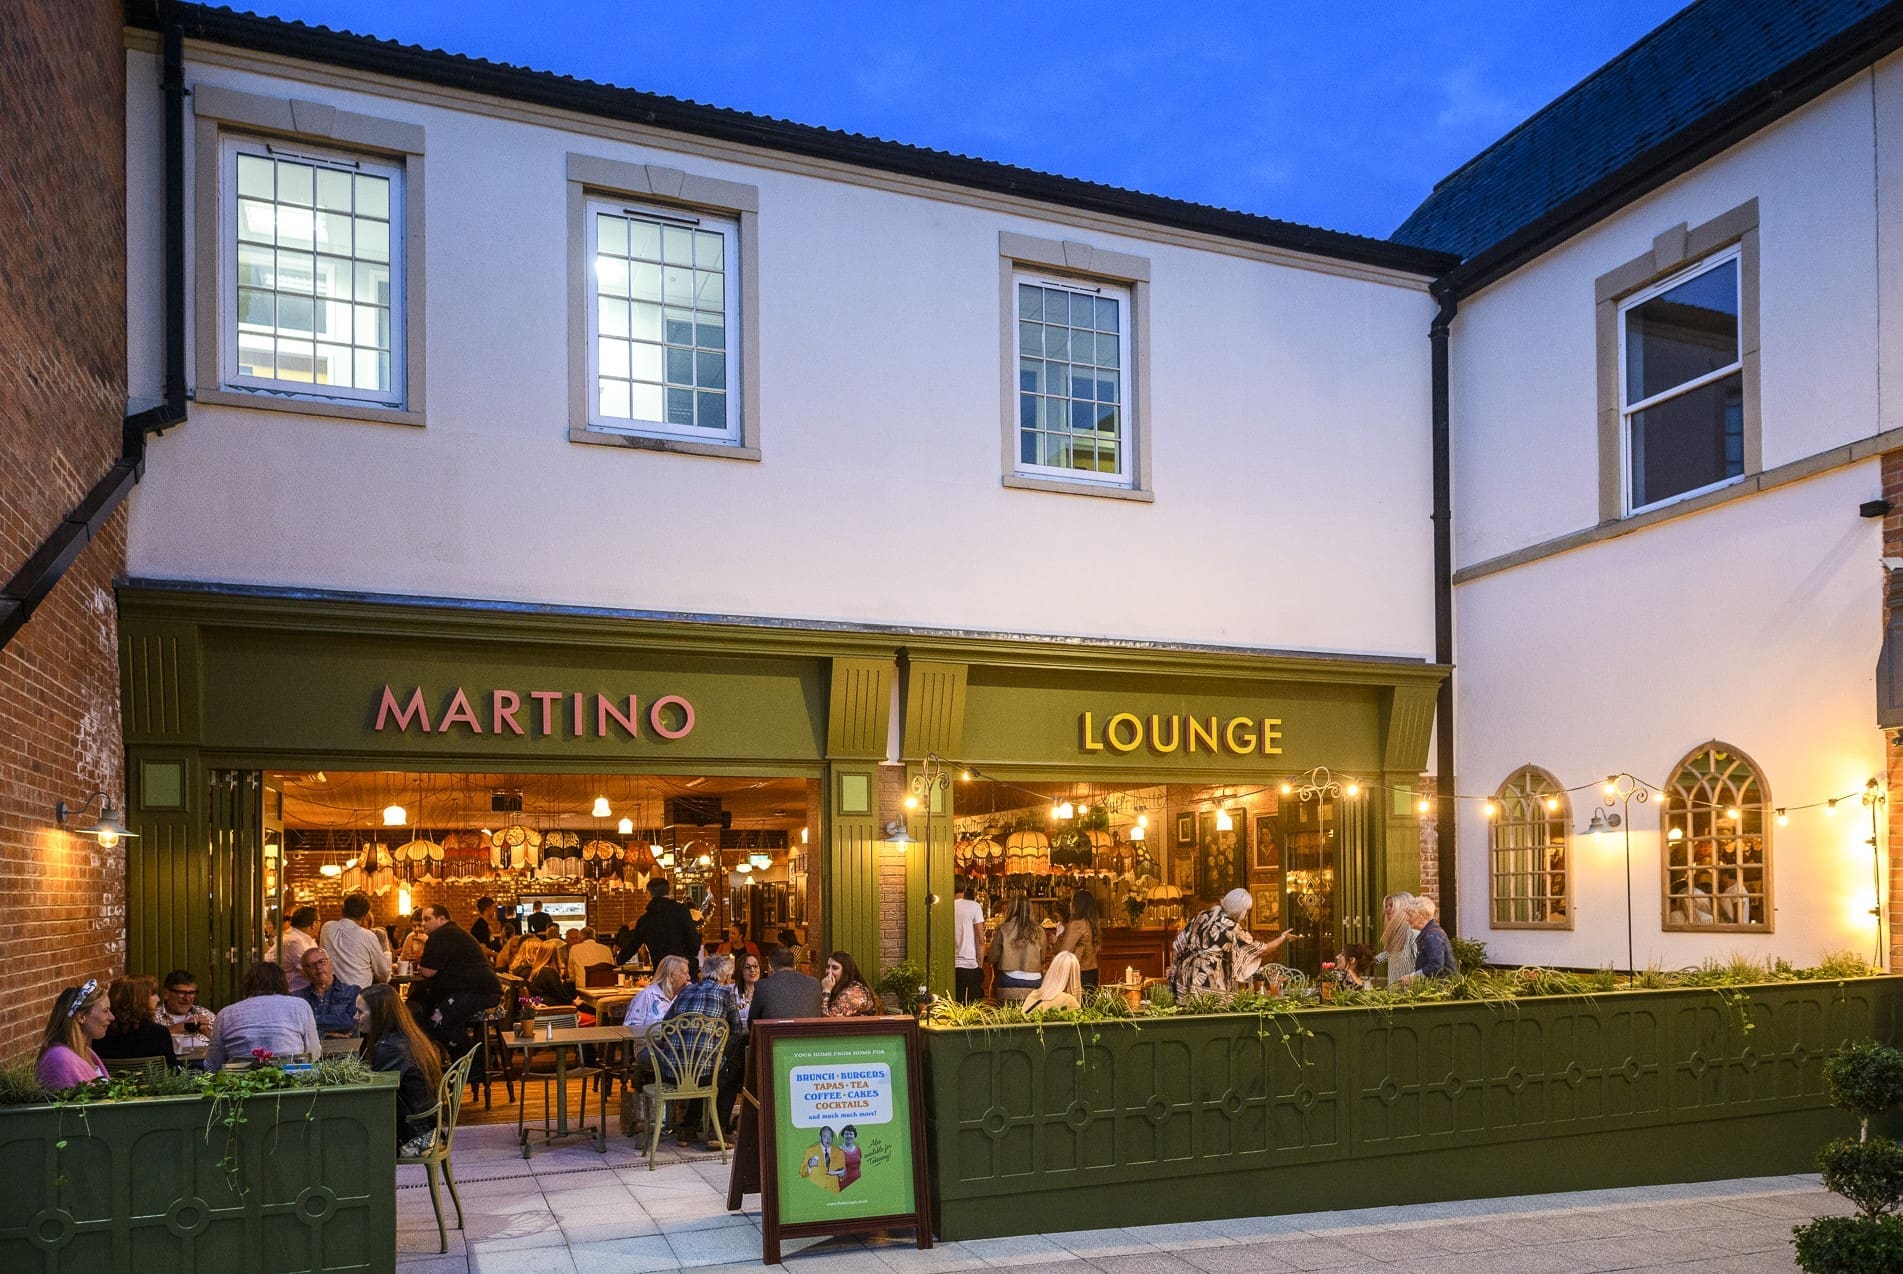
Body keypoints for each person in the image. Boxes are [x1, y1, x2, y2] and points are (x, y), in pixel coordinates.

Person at [355, 983, 444, 1156]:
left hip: (414, 1137)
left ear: (379, 1014)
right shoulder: (408, 1037)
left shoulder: (390, 1047)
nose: (355, 1017)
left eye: (360, 1012)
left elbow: (376, 1097)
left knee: (340, 1140)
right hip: (430, 1129)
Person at [664, 953, 741, 1147]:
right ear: (724, 976)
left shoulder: (685, 992)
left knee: (705, 1067)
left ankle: (687, 1129)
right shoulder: (725, 993)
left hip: (672, 1072)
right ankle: (717, 1132)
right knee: (729, 1071)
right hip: (703, 1073)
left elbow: (666, 1024)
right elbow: (738, 1030)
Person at [1168, 889, 1293, 998]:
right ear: (1242, 911)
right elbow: (1263, 949)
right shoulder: (1233, 928)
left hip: (1184, 977)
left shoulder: (1203, 915)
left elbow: (1178, 943)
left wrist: (1174, 969)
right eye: (1247, 911)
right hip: (1208, 981)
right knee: (1211, 1020)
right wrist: (1282, 937)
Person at [407, 904, 502, 1046]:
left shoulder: (440, 935)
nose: (423, 924)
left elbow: (428, 971)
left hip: (478, 992)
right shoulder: (453, 932)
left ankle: (470, 1058)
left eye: (427, 919)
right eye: (423, 920)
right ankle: (458, 1057)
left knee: (438, 1021)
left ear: (441, 919)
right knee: (429, 1011)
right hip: (483, 990)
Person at [206, 961, 321, 1068]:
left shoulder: (225, 1014)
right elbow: (314, 1053)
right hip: (293, 1084)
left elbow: (214, 1063)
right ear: (283, 982)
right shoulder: (300, 1006)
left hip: (241, 1085)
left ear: (247, 983)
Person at [94, 975, 181, 1069]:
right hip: (152, 1083)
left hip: (112, 1083)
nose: (158, 999)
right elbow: (173, 1069)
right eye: (153, 994)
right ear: (139, 999)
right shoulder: (158, 1033)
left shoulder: (99, 1033)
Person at [38, 979, 111, 1089]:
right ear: (81, 1017)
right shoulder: (60, 1059)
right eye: (105, 1011)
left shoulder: (86, 1052)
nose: (111, 1017)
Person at [628, 878, 701, 979]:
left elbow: (632, 946)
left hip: (662, 976)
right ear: (669, 891)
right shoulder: (681, 911)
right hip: (686, 974)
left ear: (649, 894)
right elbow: (694, 945)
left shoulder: (645, 920)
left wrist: (619, 960)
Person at [321, 893, 392, 990]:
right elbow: (383, 975)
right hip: (358, 997)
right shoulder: (368, 936)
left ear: (342, 911)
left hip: (330, 995)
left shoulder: (327, 928)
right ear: (365, 916)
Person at [987, 894, 1046, 1003]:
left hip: (1009, 981)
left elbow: (992, 958)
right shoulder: (1040, 931)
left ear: (1011, 909)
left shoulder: (1003, 929)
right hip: (1035, 981)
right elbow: (1043, 959)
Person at [299, 947, 362, 1037]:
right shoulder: (298, 998)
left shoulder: (353, 991)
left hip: (346, 1047)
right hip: (311, 1049)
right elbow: (296, 1028)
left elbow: (348, 1023)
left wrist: (309, 1020)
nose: (318, 967)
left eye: (322, 961)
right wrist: (325, 1034)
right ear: (304, 971)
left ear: (331, 963)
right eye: (311, 965)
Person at [749, 944, 824, 1019]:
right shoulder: (814, 984)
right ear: (794, 965)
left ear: (770, 967)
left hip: (774, 1030)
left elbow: (752, 1023)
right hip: (808, 1030)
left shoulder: (762, 986)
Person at [155, 969, 216, 1050]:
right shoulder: (153, 1015)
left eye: (191, 993)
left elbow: (224, 1044)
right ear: (166, 993)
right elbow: (150, 1041)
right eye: (181, 993)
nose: (187, 998)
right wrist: (185, 1026)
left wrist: (207, 1032)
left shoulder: (204, 1013)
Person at [1057, 888, 1102, 990]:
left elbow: (1064, 953)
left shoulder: (1076, 925)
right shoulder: (1093, 923)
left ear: (1077, 905)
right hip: (1093, 972)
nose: (1070, 904)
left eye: (1072, 900)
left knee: (1076, 1005)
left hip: (1079, 973)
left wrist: (1058, 940)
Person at [1404, 897, 1457, 979]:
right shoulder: (1431, 933)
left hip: (1441, 987)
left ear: (1422, 916)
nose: (1407, 919)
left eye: (1410, 915)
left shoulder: (1432, 936)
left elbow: (1436, 965)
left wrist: (1413, 977)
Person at [1374, 892, 1418, 985]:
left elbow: (1423, 964)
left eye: (1391, 905)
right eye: (1386, 906)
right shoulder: (1397, 933)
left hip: (1410, 994)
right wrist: (1377, 959)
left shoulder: (1413, 934)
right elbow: (1394, 952)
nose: (1387, 909)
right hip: (1395, 992)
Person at [952, 885, 986, 1004]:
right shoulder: (974, 906)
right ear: (965, 889)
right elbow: (980, 939)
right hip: (969, 965)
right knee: (969, 1007)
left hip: (949, 967)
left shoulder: (942, 906)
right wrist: (980, 967)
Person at [820, 951, 879, 1017]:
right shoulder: (840, 987)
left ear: (845, 971)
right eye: (828, 967)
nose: (829, 971)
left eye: (835, 968)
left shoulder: (855, 993)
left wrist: (826, 991)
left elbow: (828, 1019)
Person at [278, 906, 321, 993]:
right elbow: (313, 972)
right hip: (294, 993)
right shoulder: (293, 941)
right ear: (314, 924)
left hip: (305, 991)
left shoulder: (307, 940)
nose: (321, 925)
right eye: (320, 921)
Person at [800, 1124, 847, 1192]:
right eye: (825, 1136)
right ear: (820, 1137)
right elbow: (802, 1173)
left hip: (833, 1192)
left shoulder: (840, 1153)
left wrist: (842, 1175)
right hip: (815, 1192)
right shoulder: (810, 1150)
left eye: (830, 1136)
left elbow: (843, 1175)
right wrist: (809, 1166)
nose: (828, 1139)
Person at [733, 950, 763, 1027]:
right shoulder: (732, 991)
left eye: (755, 966)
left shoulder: (766, 991)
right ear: (741, 970)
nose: (752, 970)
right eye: (747, 967)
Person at [838, 1124, 863, 1190]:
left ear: (854, 1136)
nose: (849, 1136)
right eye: (846, 1134)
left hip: (859, 1181)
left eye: (851, 1134)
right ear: (843, 1136)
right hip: (845, 1183)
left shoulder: (858, 1150)